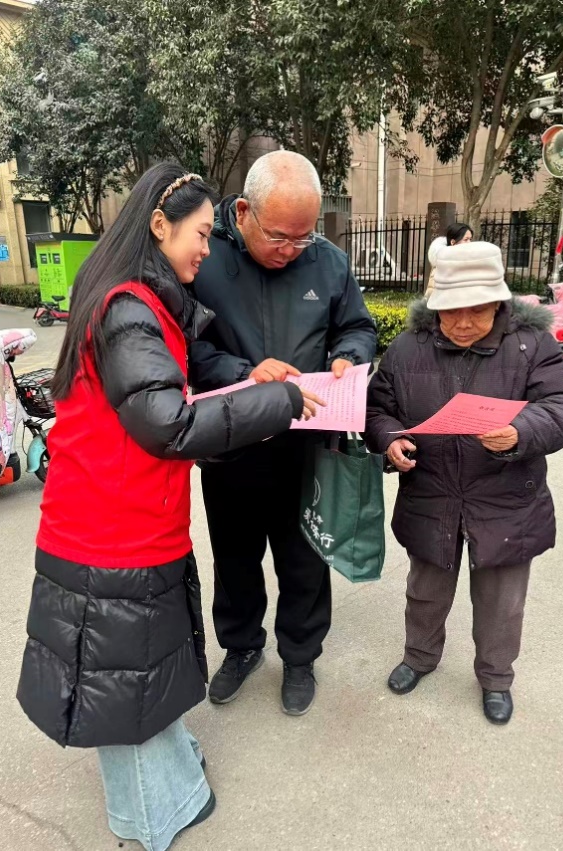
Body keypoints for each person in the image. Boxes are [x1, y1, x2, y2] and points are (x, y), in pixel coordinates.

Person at [16, 162, 322, 851]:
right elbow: (169, 424)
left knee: (141, 669)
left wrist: (245, 389)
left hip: (128, 520)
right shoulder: (128, 306)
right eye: (202, 233)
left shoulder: (143, 302)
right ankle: (152, 817)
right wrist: (275, 402)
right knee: (124, 684)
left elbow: (173, 394)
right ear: (159, 224)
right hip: (107, 533)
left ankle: (171, 780)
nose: (207, 249)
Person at [366, 241, 563, 725]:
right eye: (451, 312)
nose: (463, 323)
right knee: (425, 590)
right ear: (435, 305)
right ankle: (419, 657)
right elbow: (378, 409)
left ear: (499, 303)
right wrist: (390, 440)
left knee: (502, 602)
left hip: (507, 498)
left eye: (477, 311)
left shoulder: (532, 346)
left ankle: (496, 678)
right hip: (431, 494)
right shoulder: (407, 348)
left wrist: (521, 431)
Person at [190, 150, 377, 716]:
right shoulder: (204, 259)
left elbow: (357, 327)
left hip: (306, 443)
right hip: (232, 441)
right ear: (243, 212)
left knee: (304, 558)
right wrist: (245, 372)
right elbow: (187, 350)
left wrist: (348, 356)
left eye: (304, 236)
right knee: (235, 556)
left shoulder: (329, 263)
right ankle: (242, 647)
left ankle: (300, 656)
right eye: (279, 236)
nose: (292, 249)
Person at [425, 222, 474, 299]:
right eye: (466, 240)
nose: (469, 243)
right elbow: (432, 293)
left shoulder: (470, 263)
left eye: (470, 239)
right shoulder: (442, 264)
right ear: (453, 242)